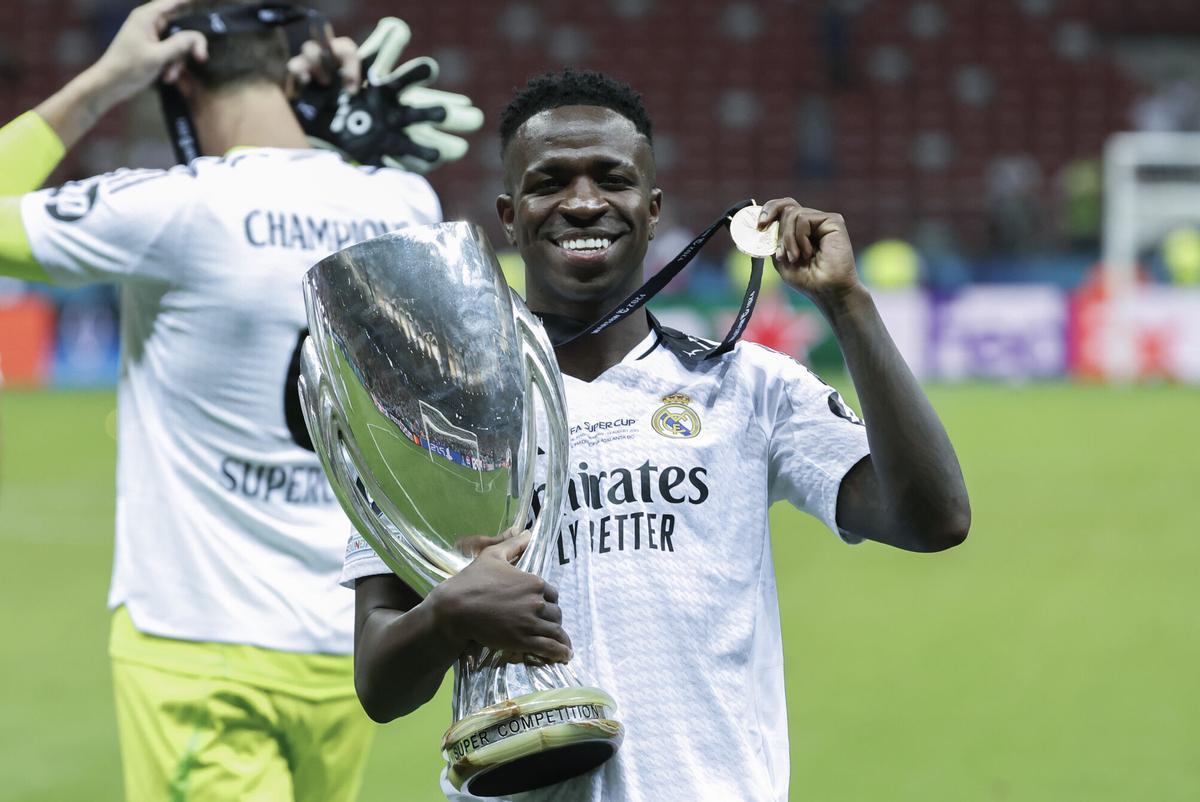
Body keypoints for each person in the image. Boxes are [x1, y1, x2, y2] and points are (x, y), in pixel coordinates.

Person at [345, 69, 972, 801]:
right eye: (550, 183)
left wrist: (847, 303)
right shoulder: (434, 413)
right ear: (509, 218)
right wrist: (447, 615)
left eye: (612, 179)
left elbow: (934, 519)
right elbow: (379, 685)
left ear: (652, 211)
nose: (584, 202)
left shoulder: (748, 386)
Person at [0, 1, 473, 799]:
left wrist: (104, 82)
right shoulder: (404, 202)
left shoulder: (173, 206)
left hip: (199, 638)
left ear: (178, 72)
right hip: (349, 637)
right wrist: (336, 137)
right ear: (286, 65)